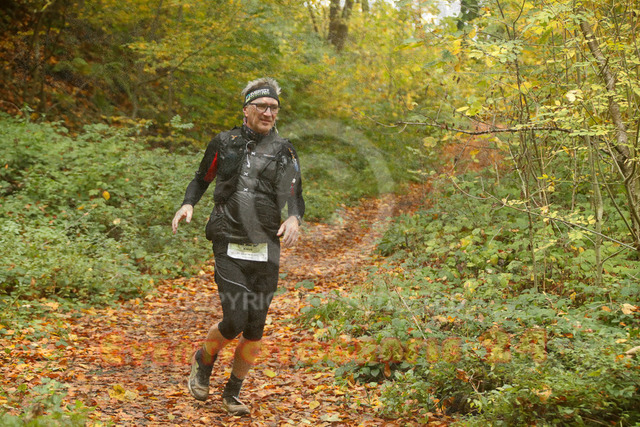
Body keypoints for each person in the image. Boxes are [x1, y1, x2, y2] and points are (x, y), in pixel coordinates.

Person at [171, 77, 304, 416]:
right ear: (246, 109)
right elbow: (201, 178)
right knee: (235, 319)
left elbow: (294, 193)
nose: (268, 113)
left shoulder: (285, 150)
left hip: (265, 246)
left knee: (255, 326)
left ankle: (232, 392)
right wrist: (188, 203)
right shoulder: (224, 142)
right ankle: (204, 359)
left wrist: (294, 218)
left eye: (273, 107)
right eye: (261, 106)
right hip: (228, 239)